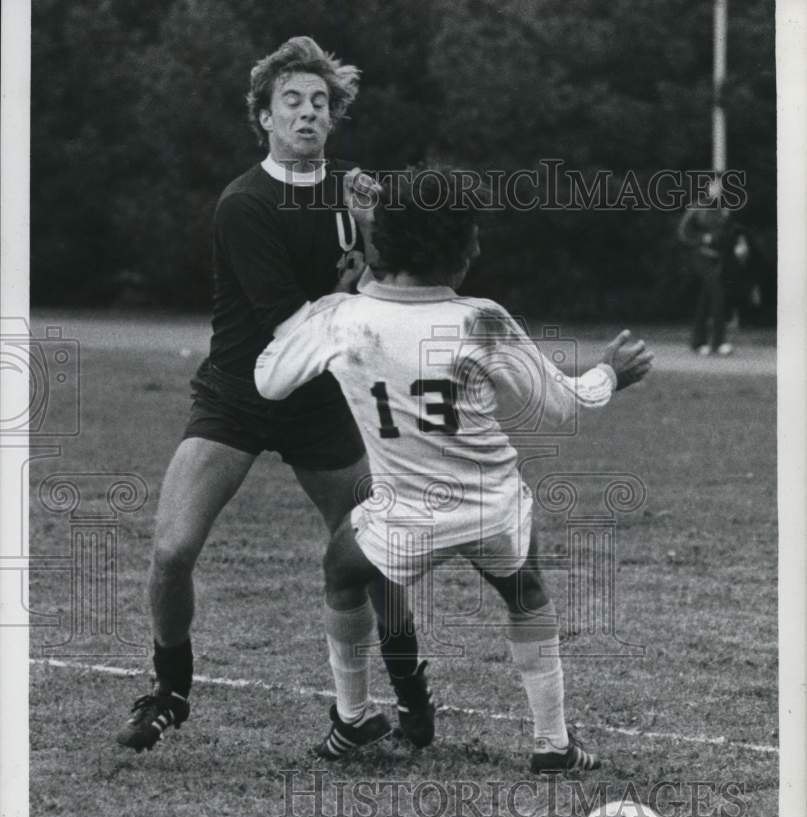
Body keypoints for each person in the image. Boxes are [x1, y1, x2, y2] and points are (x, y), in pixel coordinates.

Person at [255, 167, 654, 772]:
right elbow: (558, 403)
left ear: (387, 240)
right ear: (455, 249)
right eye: (471, 234)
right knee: (526, 593)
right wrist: (612, 374)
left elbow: (269, 380)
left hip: (406, 514)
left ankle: (352, 719)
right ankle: (553, 745)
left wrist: (354, 280)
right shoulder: (480, 320)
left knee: (341, 568)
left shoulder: (342, 318)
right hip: (492, 505)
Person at [116, 37, 431, 752]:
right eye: (291, 101)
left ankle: (413, 693)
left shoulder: (357, 190)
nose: (307, 114)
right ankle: (169, 689)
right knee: (171, 550)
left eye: (320, 103)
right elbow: (291, 325)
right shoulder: (244, 203)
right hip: (238, 396)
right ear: (262, 116)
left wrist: (382, 232)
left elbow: (403, 279)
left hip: (323, 403)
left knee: (374, 556)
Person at [677, 178, 737, 356]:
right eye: (714, 187)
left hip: (716, 259)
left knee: (706, 299)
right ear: (707, 189)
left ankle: (698, 342)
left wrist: (737, 244)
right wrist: (701, 239)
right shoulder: (697, 207)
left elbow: (729, 234)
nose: (717, 190)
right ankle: (720, 342)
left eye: (720, 187)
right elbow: (683, 232)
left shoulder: (724, 210)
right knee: (717, 294)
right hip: (700, 257)